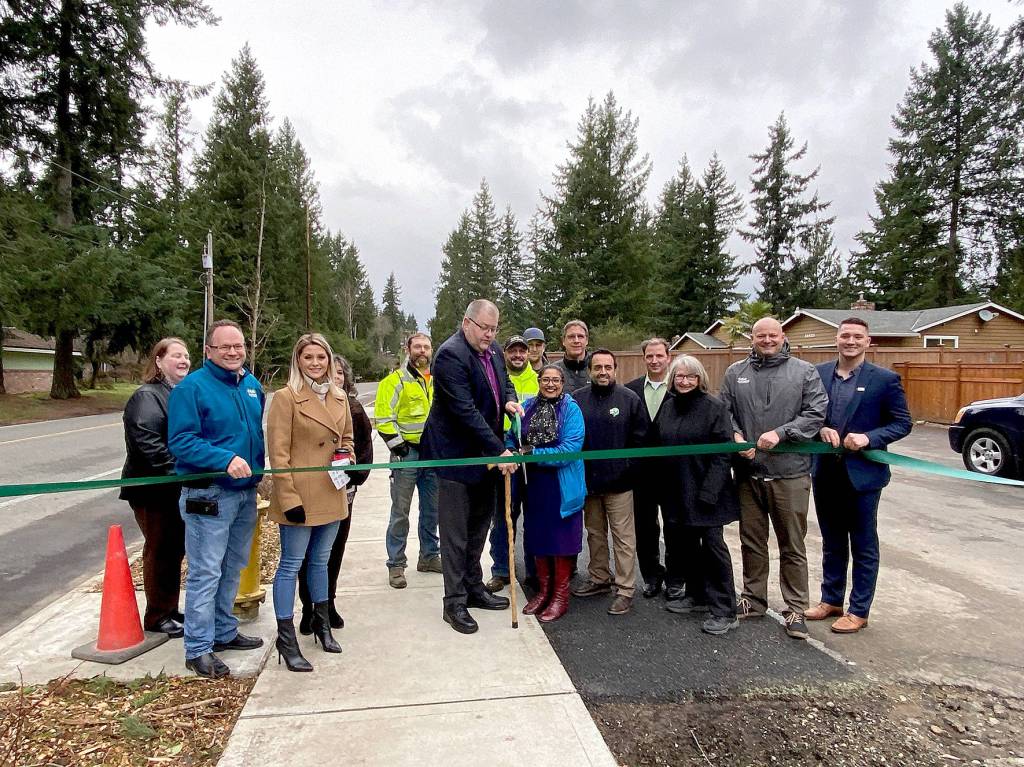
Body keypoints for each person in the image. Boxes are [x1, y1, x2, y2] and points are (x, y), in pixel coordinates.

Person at [719, 317, 827, 640]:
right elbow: (723, 411)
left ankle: (795, 608)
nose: (766, 340)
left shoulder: (804, 372)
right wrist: (736, 436)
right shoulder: (735, 373)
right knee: (751, 540)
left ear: (782, 336)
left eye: (772, 335)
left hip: (789, 473)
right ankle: (753, 599)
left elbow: (815, 414)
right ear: (751, 339)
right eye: (760, 335)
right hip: (748, 474)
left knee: (792, 543)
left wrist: (781, 434)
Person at [168, 319, 266, 679]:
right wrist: (224, 459)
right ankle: (197, 648)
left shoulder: (252, 385)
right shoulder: (191, 389)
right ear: (209, 351)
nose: (232, 352)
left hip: (244, 494)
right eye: (224, 347)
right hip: (208, 494)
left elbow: (255, 434)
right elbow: (181, 441)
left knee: (233, 565)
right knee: (205, 571)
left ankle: (224, 631)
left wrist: (258, 471)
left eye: (238, 346)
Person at [420, 299, 522, 634]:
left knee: (479, 527)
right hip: (457, 457)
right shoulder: (451, 355)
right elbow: (465, 412)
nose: (490, 336)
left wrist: (508, 399)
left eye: (494, 329)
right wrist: (500, 450)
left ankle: (474, 588)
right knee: (456, 535)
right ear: (467, 323)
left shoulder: (491, 352)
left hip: (485, 459)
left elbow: (504, 381)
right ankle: (454, 603)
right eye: (485, 328)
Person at [808, 318, 912, 633]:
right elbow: (809, 414)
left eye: (857, 337)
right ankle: (831, 599)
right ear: (836, 339)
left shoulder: (884, 379)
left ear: (868, 342)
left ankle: (859, 610)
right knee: (832, 540)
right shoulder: (819, 374)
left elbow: (902, 423)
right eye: (845, 336)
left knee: (863, 544)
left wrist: (869, 438)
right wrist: (820, 428)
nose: (850, 341)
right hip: (826, 472)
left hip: (863, 476)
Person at [266, 334, 353, 672]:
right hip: (300, 495)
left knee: (320, 562)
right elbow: (279, 452)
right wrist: (288, 496)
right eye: (309, 358)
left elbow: (345, 438)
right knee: (291, 564)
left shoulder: (339, 396)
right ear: (298, 361)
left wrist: (348, 459)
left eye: (321, 357)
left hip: (331, 491)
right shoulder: (286, 398)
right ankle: (286, 638)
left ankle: (322, 623)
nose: (316, 363)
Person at [653, 355, 741, 636]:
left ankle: (725, 609)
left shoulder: (714, 407)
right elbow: (657, 446)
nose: (685, 381)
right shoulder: (668, 407)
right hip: (677, 491)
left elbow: (722, 452)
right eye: (680, 376)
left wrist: (709, 492)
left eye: (691, 376)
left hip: (707, 495)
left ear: (700, 378)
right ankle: (697, 595)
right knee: (686, 547)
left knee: (713, 549)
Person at [120, 337, 191, 638]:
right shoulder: (147, 397)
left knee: (174, 549)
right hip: (153, 490)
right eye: (176, 355)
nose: (184, 360)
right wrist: (182, 472)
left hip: (174, 489)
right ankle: (158, 615)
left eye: (186, 355)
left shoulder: (179, 395)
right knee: (160, 549)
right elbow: (148, 444)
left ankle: (170, 608)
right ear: (159, 361)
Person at [297, 354, 373, 635]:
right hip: (311, 491)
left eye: (340, 373)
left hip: (344, 491)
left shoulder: (353, 409)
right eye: (333, 372)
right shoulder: (303, 405)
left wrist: (355, 474)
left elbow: (364, 448)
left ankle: (327, 604)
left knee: (334, 551)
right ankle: (308, 608)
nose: (336, 378)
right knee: (308, 553)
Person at [571, 349, 648, 615]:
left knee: (623, 538)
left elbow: (640, 441)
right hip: (589, 483)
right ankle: (599, 578)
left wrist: (628, 472)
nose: (603, 372)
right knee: (594, 534)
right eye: (597, 367)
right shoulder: (577, 399)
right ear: (590, 370)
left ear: (615, 369)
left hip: (620, 484)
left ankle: (625, 589)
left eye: (608, 367)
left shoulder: (629, 399)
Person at [513, 365, 586, 622]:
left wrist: (532, 454)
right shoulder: (528, 405)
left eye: (556, 380)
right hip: (535, 485)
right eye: (546, 379)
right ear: (539, 381)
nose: (551, 384)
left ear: (563, 382)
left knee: (561, 540)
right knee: (539, 537)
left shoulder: (571, 409)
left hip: (562, 484)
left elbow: (570, 448)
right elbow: (514, 435)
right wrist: (511, 449)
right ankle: (544, 592)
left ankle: (560, 596)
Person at [374, 332, 440, 589]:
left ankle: (429, 556)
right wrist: (399, 447)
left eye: (426, 347)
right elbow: (384, 417)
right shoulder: (394, 381)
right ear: (408, 349)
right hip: (406, 455)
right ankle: (396, 564)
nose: (422, 351)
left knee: (431, 510)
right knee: (400, 511)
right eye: (418, 347)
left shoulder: (438, 381)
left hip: (433, 456)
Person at [486, 335, 540, 593]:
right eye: (513, 351)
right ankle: (501, 570)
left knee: (534, 515)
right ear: (505, 353)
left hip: (531, 455)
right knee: (504, 515)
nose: (518, 355)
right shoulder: (497, 376)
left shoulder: (539, 379)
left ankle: (533, 569)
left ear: (528, 353)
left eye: (522, 351)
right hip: (503, 453)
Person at [625, 337, 673, 598]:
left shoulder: (680, 388)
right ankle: (651, 576)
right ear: (644, 358)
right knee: (645, 527)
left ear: (668, 357)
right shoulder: (630, 391)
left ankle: (676, 577)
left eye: (659, 356)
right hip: (641, 473)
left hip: (672, 473)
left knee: (675, 526)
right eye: (649, 356)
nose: (654, 361)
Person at [553, 319, 591, 393]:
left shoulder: (597, 368)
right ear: (563, 341)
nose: (576, 341)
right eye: (571, 337)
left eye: (580, 336)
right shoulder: (553, 371)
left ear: (587, 340)